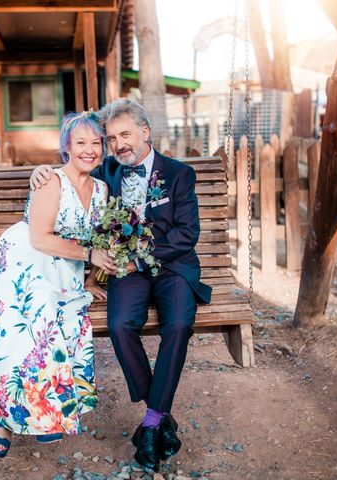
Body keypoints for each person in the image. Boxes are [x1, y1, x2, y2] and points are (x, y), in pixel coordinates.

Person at [30, 99, 212, 471]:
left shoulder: (178, 174)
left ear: (145, 133)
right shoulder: (108, 170)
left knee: (178, 324)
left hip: (172, 267)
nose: (117, 145)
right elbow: (73, 167)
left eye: (124, 135)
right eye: (111, 138)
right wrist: (40, 170)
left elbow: (186, 234)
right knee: (119, 325)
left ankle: (149, 422)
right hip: (125, 269)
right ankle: (160, 416)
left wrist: (139, 258)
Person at [0, 111, 115, 459]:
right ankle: (7, 419)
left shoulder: (101, 190)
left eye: (96, 143)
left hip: (64, 266)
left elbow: (99, 238)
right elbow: (41, 239)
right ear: (67, 148)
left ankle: (35, 413)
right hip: (24, 259)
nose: (89, 150)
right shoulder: (51, 182)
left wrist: (89, 276)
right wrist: (90, 255)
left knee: (68, 319)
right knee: (30, 319)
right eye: (81, 143)